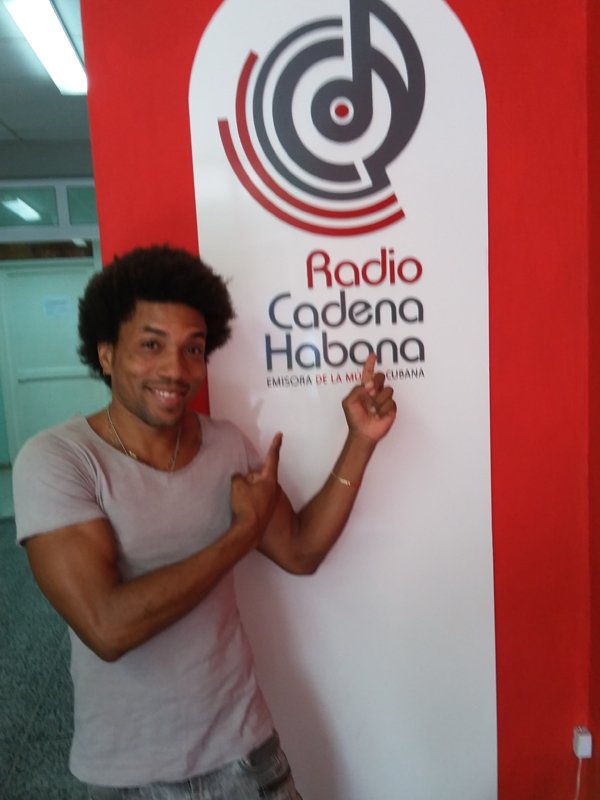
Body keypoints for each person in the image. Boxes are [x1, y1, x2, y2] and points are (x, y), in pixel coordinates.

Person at [12, 244, 396, 799]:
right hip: (132, 777)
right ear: (106, 354)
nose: (176, 369)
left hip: (248, 754)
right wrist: (240, 534)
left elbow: (302, 551)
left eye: (192, 348)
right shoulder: (59, 460)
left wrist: (360, 442)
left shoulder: (225, 444)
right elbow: (107, 627)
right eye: (151, 345)